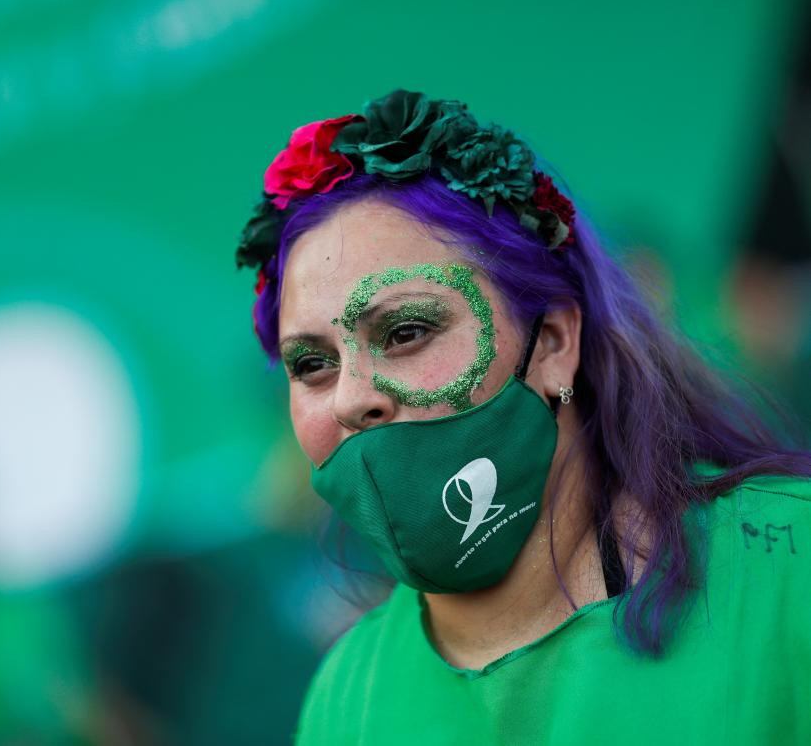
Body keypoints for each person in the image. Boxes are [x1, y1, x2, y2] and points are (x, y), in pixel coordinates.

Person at [235, 90, 811, 744]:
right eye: (311, 364)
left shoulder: (789, 567)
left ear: (556, 346)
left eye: (405, 332)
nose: (348, 397)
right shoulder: (348, 697)